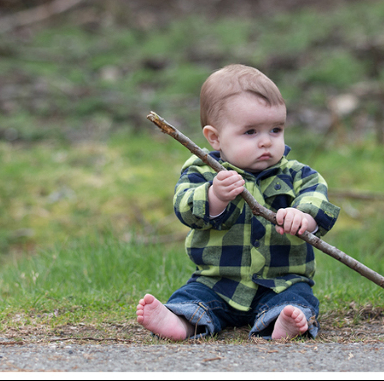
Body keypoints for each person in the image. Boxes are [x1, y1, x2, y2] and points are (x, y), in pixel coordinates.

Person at [137, 64, 340, 341]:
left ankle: (282, 322)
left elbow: (318, 198)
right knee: (194, 298)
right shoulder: (203, 171)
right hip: (218, 281)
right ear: (215, 137)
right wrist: (214, 197)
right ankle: (180, 323)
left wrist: (304, 217)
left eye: (275, 130)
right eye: (251, 132)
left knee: (297, 301)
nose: (266, 142)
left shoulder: (297, 174)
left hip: (282, 281)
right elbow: (184, 207)